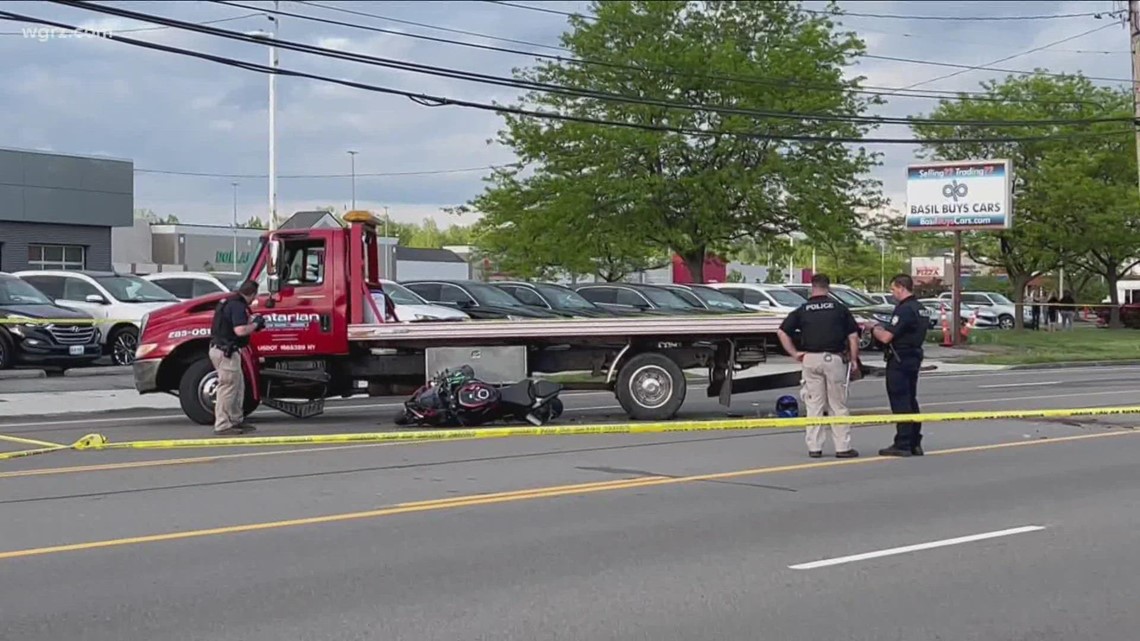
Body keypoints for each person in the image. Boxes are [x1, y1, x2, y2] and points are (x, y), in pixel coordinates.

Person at [776, 273, 861, 459]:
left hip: (810, 359)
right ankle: (842, 447)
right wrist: (854, 359)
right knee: (837, 404)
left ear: (812, 287)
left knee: (814, 404)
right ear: (828, 288)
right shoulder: (839, 309)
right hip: (834, 359)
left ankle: (814, 447)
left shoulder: (803, 310)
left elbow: (782, 332)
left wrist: (794, 353)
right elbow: (853, 337)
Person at [871, 274, 928, 457]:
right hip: (914, 356)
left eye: (893, 289)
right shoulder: (921, 308)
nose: (892, 292)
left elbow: (886, 337)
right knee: (911, 399)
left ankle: (903, 443)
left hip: (900, 358)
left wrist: (874, 328)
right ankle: (914, 441)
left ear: (902, 287)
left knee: (900, 400)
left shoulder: (904, 309)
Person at [209, 280, 265, 435]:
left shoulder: (230, 302)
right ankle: (222, 425)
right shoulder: (238, 306)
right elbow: (240, 331)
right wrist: (255, 325)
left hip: (225, 350)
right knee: (228, 387)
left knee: (237, 386)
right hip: (226, 352)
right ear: (252, 294)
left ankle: (235, 420)